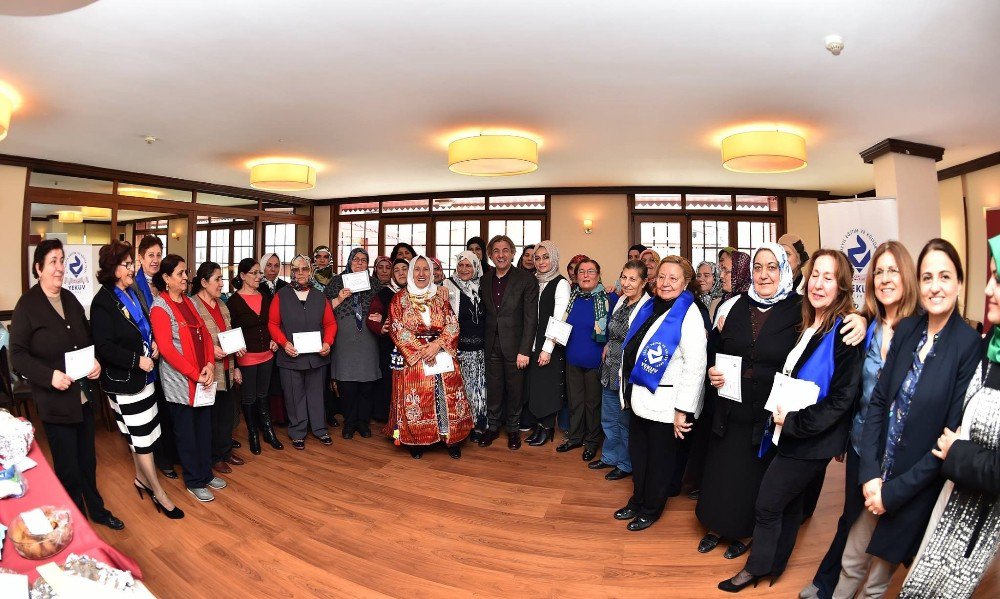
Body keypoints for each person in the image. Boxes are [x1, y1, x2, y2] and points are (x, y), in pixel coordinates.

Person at [833, 239, 980, 598]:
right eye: (927, 276)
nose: (935, 286)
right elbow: (879, 401)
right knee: (851, 561)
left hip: (913, 488)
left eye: (944, 276)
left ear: (959, 283)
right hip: (876, 475)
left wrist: (891, 494)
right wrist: (869, 474)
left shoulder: (968, 345)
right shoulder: (909, 328)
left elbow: (948, 439)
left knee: (877, 582)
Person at [720, 249, 864, 592]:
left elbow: (842, 399)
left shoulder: (846, 331)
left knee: (767, 504)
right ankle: (775, 566)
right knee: (790, 503)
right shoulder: (808, 321)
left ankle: (755, 569)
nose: (818, 283)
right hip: (788, 431)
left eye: (829, 278)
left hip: (809, 438)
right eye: (815, 275)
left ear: (842, 287)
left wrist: (795, 421)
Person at [803, 241, 919, 599]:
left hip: (905, 451)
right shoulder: (865, 327)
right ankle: (826, 584)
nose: (884, 279)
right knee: (851, 517)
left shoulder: (922, 329)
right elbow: (853, 388)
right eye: (878, 272)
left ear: (908, 278)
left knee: (898, 524)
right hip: (862, 443)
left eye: (892, 271)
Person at [899, 234, 1000, 598]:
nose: (988, 287)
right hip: (956, 502)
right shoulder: (993, 348)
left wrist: (957, 451)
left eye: (998, 278)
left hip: (980, 523)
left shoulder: (972, 343)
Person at [697, 244, 803, 559]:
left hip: (769, 412)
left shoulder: (800, 309)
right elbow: (714, 350)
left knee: (754, 475)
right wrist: (712, 371)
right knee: (723, 470)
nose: (764, 274)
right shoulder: (733, 306)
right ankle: (715, 525)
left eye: (772, 267)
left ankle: (746, 531)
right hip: (730, 407)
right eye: (758, 267)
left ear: (784, 271)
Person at [11, 240, 124, 530]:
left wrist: (95, 361)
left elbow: (87, 339)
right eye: (52, 262)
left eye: (62, 260)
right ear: (38, 269)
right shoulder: (28, 305)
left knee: (88, 461)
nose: (60, 267)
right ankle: (76, 522)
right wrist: (49, 376)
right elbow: (18, 356)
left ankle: (97, 510)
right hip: (55, 402)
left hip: (83, 397)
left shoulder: (70, 299)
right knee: (68, 468)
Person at [613, 256, 707, 531]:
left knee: (660, 462)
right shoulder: (650, 306)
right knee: (639, 456)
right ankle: (637, 499)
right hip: (640, 398)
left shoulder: (688, 314)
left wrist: (683, 411)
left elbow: (696, 367)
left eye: (673, 278)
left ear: (686, 282)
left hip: (667, 404)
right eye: (662, 276)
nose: (665, 283)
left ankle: (651, 508)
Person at [91, 240, 183, 519]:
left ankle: (141, 479)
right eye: (128, 264)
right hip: (124, 382)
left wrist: (153, 343)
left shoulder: (130, 292)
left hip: (143, 377)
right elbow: (104, 347)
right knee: (142, 439)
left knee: (140, 434)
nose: (133, 268)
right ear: (113, 268)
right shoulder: (102, 302)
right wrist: (137, 361)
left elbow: (143, 325)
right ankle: (158, 491)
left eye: (132, 263)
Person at [149, 254, 223, 503]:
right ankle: (193, 480)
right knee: (187, 433)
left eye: (185, 272)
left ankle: (205, 472)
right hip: (181, 382)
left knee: (204, 428)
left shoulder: (190, 303)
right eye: (180, 273)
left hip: (202, 377)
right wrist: (195, 373)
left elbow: (204, 332)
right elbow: (167, 350)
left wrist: (210, 364)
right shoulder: (160, 306)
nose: (185, 277)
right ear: (166, 278)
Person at [387, 256, 474, 459]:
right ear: (410, 273)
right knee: (418, 399)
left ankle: (450, 438)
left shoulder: (440, 297)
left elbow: (452, 324)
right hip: (415, 360)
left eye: (426, 269)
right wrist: (421, 350)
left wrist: (436, 345)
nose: (421, 274)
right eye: (416, 269)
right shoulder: (399, 299)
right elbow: (397, 328)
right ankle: (417, 441)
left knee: (446, 396)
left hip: (441, 354)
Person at [268, 255, 337, 450]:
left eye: (304, 269)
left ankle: (320, 429)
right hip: (290, 355)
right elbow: (273, 324)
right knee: (293, 395)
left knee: (316, 394)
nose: (300, 273)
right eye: (296, 269)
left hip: (317, 356)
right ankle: (297, 431)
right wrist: (283, 343)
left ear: (310, 271)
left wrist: (328, 342)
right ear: (291, 272)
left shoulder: (319, 295)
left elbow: (330, 324)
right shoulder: (281, 295)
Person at [591, 260, 650, 479]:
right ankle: (609, 457)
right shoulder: (621, 300)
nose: (626, 283)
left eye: (632, 279)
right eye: (624, 277)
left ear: (644, 282)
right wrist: (608, 344)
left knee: (625, 422)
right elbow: (613, 331)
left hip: (627, 371)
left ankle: (625, 464)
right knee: (608, 416)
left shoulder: (647, 306)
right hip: (610, 367)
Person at [480, 235, 539, 449]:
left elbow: (531, 318)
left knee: (515, 390)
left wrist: (525, 350)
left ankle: (513, 430)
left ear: (513, 253)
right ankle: (493, 427)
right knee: (494, 389)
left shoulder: (526, 279)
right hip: (491, 344)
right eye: (496, 251)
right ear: (490, 255)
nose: (501, 255)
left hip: (516, 347)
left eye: (506, 250)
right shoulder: (484, 280)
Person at [191, 261, 245, 475]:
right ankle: (213, 457)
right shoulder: (193, 305)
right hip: (208, 370)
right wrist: (210, 350)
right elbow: (192, 341)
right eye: (217, 279)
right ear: (204, 282)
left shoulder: (222, 305)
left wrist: (237, 354)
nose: (222, 284)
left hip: (227, 367)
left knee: (225, 414)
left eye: (221, 279)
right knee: (210, 418)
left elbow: (229, 333)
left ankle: (225, 451)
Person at [132, 234, 179, 480]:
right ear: (140, 258)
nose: (155, 260)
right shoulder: (133, 285)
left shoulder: (164, 281)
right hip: (148, 354)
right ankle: (162, 459)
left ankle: (173, 453)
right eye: (150, 255)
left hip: (169, 353)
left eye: (159, 255)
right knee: (156, 409)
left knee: (170, 405)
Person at [558, 259, 615, 461]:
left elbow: (617, 329)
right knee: (575, 403)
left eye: (591, 271)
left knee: (593, 405)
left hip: (596, 361)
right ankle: (574, 437)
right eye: (581, 271)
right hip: (572, 357)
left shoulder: (609, 298)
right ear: (576, 275)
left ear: (598, 275)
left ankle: (591, 442)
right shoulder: (572, 298)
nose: (585, 275)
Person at [226, 258, 284, 454]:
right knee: (249, 397)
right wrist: (235, 350)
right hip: (247, 357)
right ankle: (252, 433)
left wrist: (275, 339)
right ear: (243, 276)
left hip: (267, 355)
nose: (259, 276)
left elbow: (273, 323)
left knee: (263, 395)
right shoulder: (233, 302)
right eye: (254, 273)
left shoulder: (265, 297)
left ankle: (268, 431)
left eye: (260, 273)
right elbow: (227, 329)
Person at [326, 248, 382, 439]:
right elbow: (323, 311)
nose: (359, 263)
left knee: (367, 386)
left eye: (364, 260)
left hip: (368, 342)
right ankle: (349, 424)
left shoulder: (375, 285)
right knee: (347, 387)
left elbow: (384, 309)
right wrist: (340, 297)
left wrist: (381, 316)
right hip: (344, 342)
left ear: (368, 264)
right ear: (349, 262)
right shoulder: (335, 282)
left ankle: (363, 423)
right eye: (356, 259)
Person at [523, 241, 571, 447]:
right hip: (531, 345)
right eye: (537, 257)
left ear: (554, 258)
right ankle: (538, 426)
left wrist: (547, 349)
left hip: (548, 347)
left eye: (546, 257)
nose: (541, 262)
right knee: (536, 389)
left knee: (548, 389)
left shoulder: (561, 283)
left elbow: (560, 319)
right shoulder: (533, 280)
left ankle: (547, 427)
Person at [443, 251, 487, 441]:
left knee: (479, 388)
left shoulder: (483, 286)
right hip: (459, 348)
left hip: (481, 348)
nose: (464, 269)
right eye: (461, 265)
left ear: (476, 267)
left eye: (469, 265)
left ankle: (478, 424)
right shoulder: (447, 285)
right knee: (460, 389)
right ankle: (462, 425)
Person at [368, 257, 408, 423]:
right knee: (389, 383)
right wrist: (381, 327)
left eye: (404, 269)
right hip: (390, 348)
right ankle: (391, 419)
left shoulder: (419, 291)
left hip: (415, 350)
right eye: (397, 270)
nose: (400, 273)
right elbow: (372, 317)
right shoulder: (384, 293)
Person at [259, 252, 290, 428]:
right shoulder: (257, 287)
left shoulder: (285, 287)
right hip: (264, 338)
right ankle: (265, 418)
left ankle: (281, 416)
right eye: (269, 265)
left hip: (282, 337)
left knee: (281, 378)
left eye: (276, 265)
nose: (272, 269)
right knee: (266, 380)